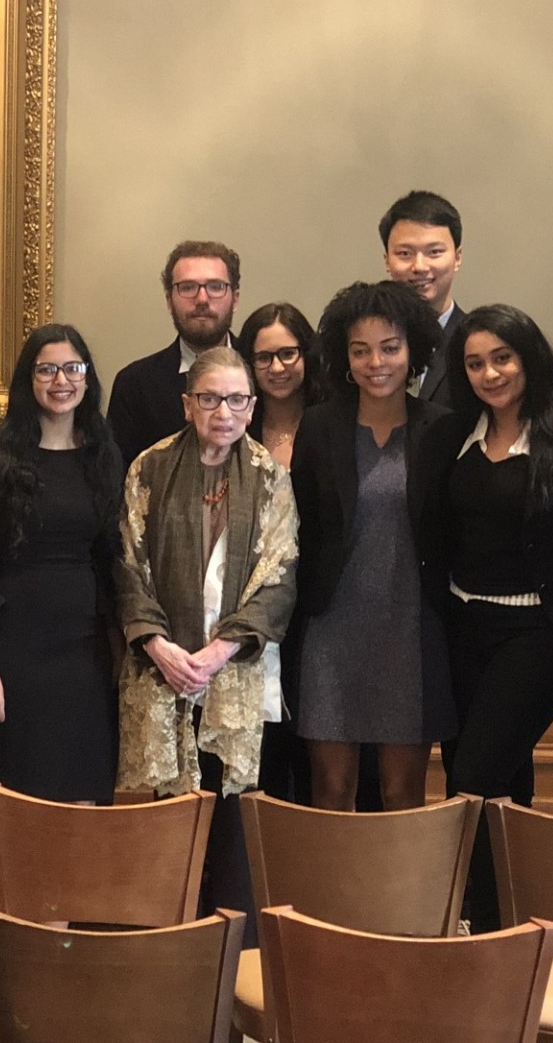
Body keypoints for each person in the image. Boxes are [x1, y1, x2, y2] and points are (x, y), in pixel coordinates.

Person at [114, 347, 297, 942]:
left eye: (238, 399)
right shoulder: (149, 467)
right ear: (188, 404)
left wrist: (220, 651)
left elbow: (280, 574)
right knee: (169, 824)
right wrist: (160, 646)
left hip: (235, 676)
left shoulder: (270, 475)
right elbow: (127, 565)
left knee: (232, 825)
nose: (225, 411)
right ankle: (166, 956)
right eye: (211, 398)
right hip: (160, 671)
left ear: (252, 404)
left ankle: (235, 966)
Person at [416, 304, 553, 929]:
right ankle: (504, 924)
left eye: (502, 358)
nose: (490, 373)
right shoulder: (451, 435)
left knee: (474, 774)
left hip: (537, 632)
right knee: (505, 777)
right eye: (475, 362)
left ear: (529, 358)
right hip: (462, 627)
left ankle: (474, 912)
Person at [0, 324, 124, 803]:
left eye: (72, 368)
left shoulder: (103, 455)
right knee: (5, 796)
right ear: (28, 379)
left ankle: (74, 884)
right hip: (12, 650)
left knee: (85, 789)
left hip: (84, 655)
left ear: (87, 379)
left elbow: (113, 562)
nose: (60, 379)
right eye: (47, 369)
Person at [291, 281, 454, 812]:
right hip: (331, 631)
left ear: (414, 352)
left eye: (389, 348)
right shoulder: (318, 426)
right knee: (331, 790)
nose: (375, 363)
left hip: (410, 629)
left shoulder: (440, 429)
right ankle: (325, 899)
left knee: (402, 792)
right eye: (360, 350)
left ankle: (396, 899)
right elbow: (303, 526)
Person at [238, 301, 320, 804]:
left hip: (318, 606)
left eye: (288, 354)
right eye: (263, 357)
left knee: (312, 736)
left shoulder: (332, 425)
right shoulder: (233, 426)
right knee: (263, 741)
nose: (277, 368)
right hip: (249, 607)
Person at [107, 241, 241, 468]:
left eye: (215, 287)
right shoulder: (134, 385)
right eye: (188, 287)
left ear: (235, 298)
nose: (202, 299)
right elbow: (120, 482)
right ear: (169, 301)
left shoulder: (262, 373)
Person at [378, 191, 465, 410]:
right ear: (387, 261)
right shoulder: (362, 345)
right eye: (405, 253)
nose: (420, 267)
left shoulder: (475, 343)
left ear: (457, 258)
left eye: (434, 252)